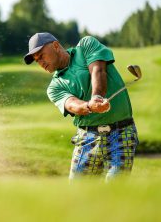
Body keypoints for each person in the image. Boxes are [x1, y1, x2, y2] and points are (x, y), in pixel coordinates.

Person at [23, 32, 139, 181]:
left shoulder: (86, 45)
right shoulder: (54, 87)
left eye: (41, 56)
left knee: (115, 188)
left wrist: (96, 97)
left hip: (122, 133)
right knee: (77, 194)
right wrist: (89, 106)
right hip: (87, 138)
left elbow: (98, 70)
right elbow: (72, 104)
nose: (41, 63)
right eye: (36, 60)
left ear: (56, 45)